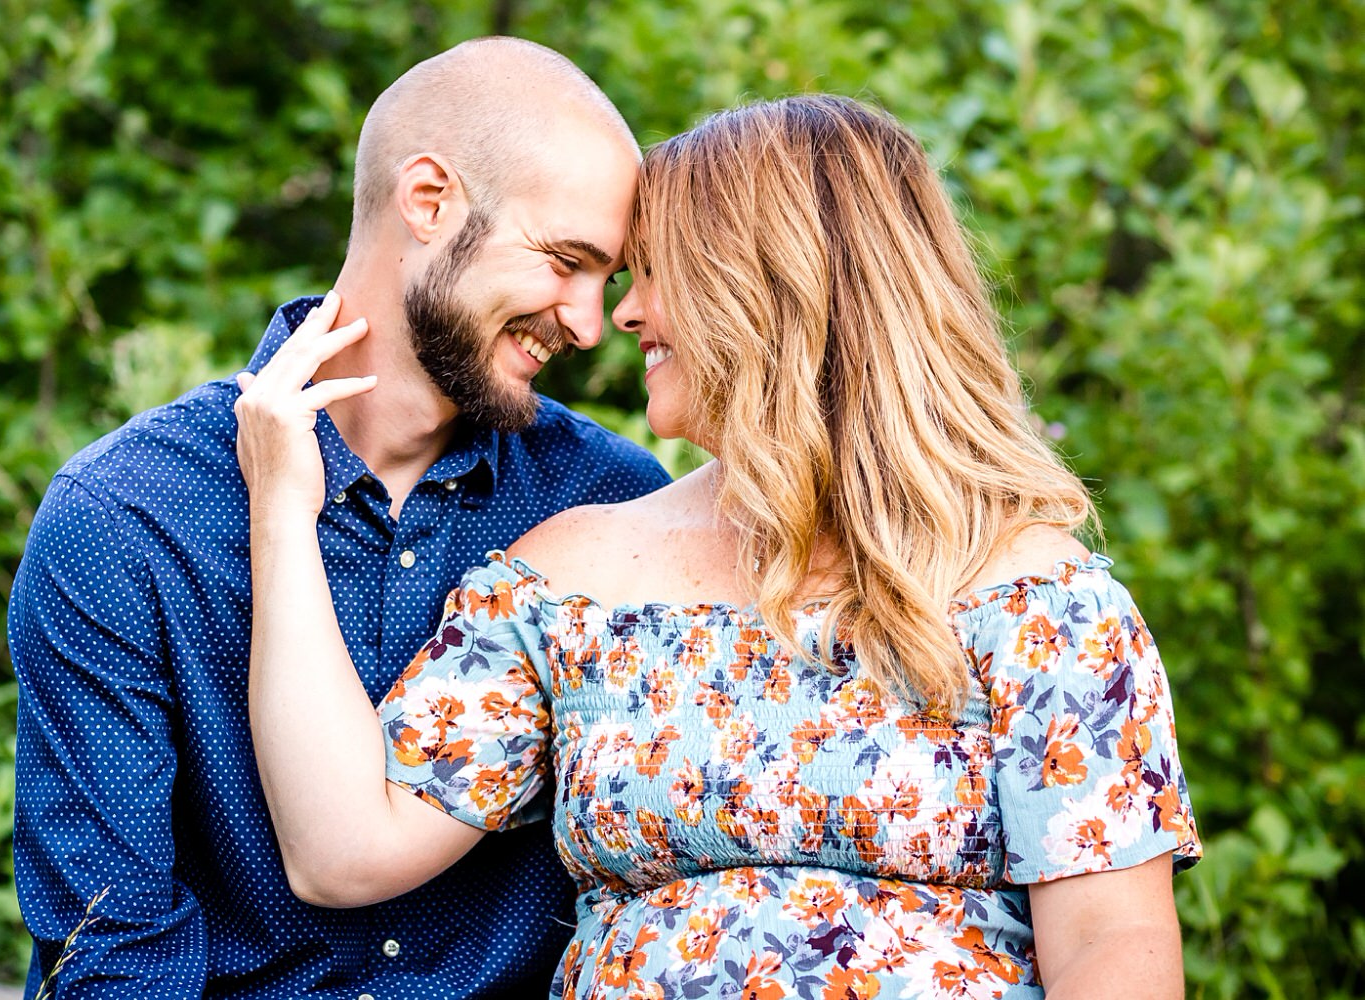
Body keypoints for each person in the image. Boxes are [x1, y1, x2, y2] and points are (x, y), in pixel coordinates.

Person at [239, 94, 1202, 999]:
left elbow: (1112, 946)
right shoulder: (569, 580)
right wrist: (285, 508)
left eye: (654, 273)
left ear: (769, 291)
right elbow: (342, 851)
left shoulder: (1040, 600)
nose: (619, 314)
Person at [10, 37, 670, 998]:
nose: (585, 320)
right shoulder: (126, 518)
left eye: (606, 280)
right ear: (430, 200)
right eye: (566, 261)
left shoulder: (608, 504)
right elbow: (114, 947)